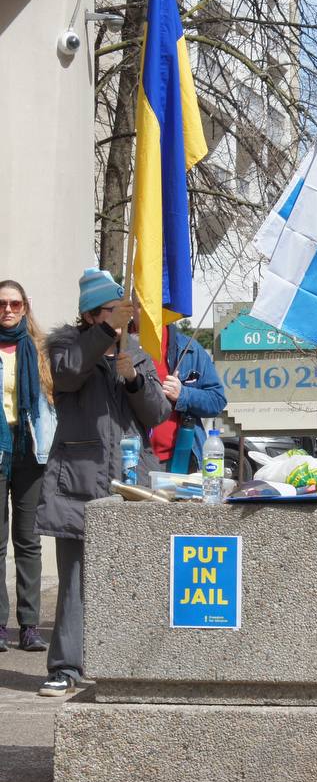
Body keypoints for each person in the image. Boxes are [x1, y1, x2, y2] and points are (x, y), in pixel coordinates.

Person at [34, 269, 171, 696]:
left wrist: (133, 379)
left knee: (132, 575)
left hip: (130, 478)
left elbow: (157, 414)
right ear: (93, 315)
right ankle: (65, 666)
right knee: (74, 577)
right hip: (78, 478)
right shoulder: (66, 346)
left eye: (124, 312)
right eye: (115, 312)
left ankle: (129, 661)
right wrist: (105, 339)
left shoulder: (135, 351)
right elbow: (68, 374)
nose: (124, 320)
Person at [0, 281, 56, 653]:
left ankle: (30, 626)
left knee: (28, 542)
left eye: (14, 303)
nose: (7, 310)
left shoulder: (39, 350)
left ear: (25, 307)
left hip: (29, 452)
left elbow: (52, 400)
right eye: (1, 303)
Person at [149, 323, 227, 474]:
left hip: (179, 463)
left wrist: (183, 394)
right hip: (130, 461)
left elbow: (217, 400)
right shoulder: (118, 346)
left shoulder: (189, 348)